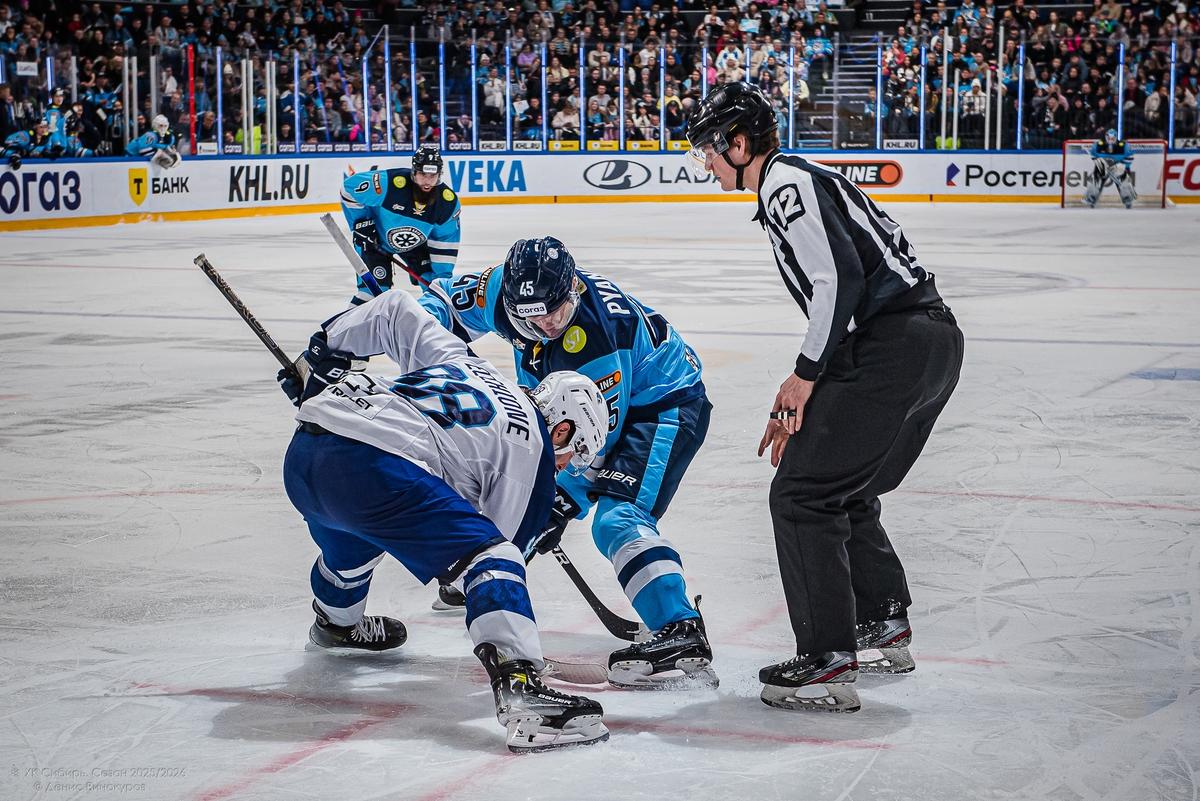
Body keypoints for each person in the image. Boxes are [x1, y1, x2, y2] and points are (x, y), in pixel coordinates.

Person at [686, 82, 964, 712]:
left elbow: (835, 279)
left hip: (894, 346)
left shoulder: (784, 182)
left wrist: (805, 374)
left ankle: (826, 661)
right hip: (928, 344)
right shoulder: (796, 179)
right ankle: (881, 619)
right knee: (842, 482)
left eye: (710, 146)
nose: (704, 161)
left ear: (739, 143)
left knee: (802, 494)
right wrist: (810, 395)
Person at [276, 285, 610, 753]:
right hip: (375, 470)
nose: (562, 467)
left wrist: (325, 353)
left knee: (357, 538)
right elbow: (474, 576)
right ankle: (524, 690)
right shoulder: (534, 451)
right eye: (569, 455)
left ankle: (336, 621)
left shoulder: (470, 365)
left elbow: (395, 311)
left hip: (309, 451)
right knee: (494, 556)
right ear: (561, 427)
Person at [417, 237, 717, 690]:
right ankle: (484, 565)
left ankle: (681, 629)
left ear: (572, 289)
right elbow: (440, 302)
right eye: (530, 317)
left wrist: (556, 500)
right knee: (530, 492)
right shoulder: (503, 289)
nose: (545, 326)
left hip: (661, 406)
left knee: (616, 518)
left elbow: (587, 444)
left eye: (554, 312)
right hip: (578, 408)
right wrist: (422, 336)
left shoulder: (594, 341)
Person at [339, 143, 461, 302]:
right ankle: (345, 326)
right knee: (372, 295)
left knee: (436, 288)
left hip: (416, 246)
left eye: (432, 176)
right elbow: (349, 189)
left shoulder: (447, 203)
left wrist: (439, 282)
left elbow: (445, 242)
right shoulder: (390, 184)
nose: (427, 181)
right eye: (423, 174)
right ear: (414, 172)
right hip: (373, 241)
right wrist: (362, 224)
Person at [1085, 128, 1136, 208]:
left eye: (1112, 138)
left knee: (1123, 178)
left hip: (1118, 165)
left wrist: (1123, 165)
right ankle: (1091, 198)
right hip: (1103, 165)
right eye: (1109, 138)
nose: (1110, 140)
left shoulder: (1124, 146)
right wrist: (1102, 163)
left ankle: (1128, 199)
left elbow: (1130, 157)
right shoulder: (1098, 145)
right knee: (1096, 178)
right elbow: (1093, 156)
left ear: (1116, 138)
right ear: (1105, 137)